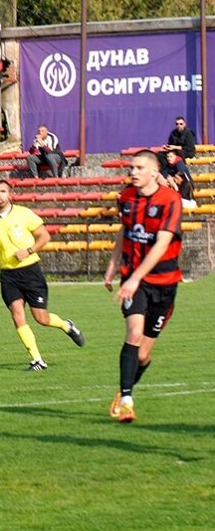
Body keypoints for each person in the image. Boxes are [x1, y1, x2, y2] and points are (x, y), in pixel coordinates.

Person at [103, 151, 183, 424]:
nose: (133, 172)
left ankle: (124, 390)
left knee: (145, 354)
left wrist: (136, 276)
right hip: (134, 281)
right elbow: (124, 232)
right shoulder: (125, 198)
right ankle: (127, 401)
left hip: (166, 282)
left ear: (154, 171)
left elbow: (162, 243)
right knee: (134, 334)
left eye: (139, 167)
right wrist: (114, 266)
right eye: (131, 167)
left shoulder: (170, 200)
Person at [0, 180, 86, 370]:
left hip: (30, 271)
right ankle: (37, 359)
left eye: (3, 191)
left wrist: (28, 251)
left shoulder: (24, 213)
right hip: (8, 275)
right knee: (17, 315)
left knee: (41, 318)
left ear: (10, 194)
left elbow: (44, 236)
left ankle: (66, 325)